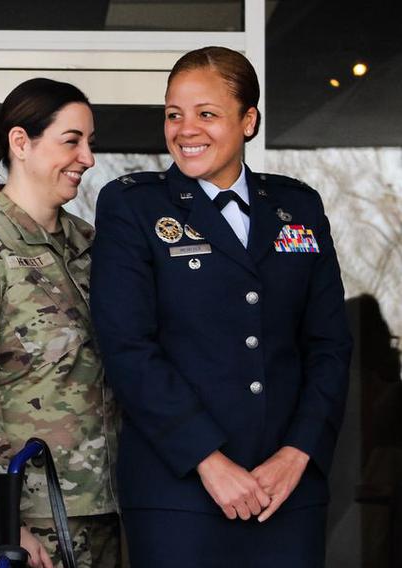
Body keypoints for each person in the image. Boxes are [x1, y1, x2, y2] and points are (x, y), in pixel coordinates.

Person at [90, 46, 352, 567]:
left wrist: (297, 452)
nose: (186, 130)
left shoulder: (297, 205)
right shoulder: (135, 206)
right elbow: (127, 348)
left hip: (288, 492)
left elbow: (328, 344)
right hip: (180, 491)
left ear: (248, 120)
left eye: (206, 114)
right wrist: (207, 460)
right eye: (173, 114)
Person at [0, 78, 119, 568]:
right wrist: (4, 517)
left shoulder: (91, 242)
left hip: (107, 505)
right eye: (71, 140)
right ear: (20, 142)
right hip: (33, 514)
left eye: (90, 142)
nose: (88, 158)